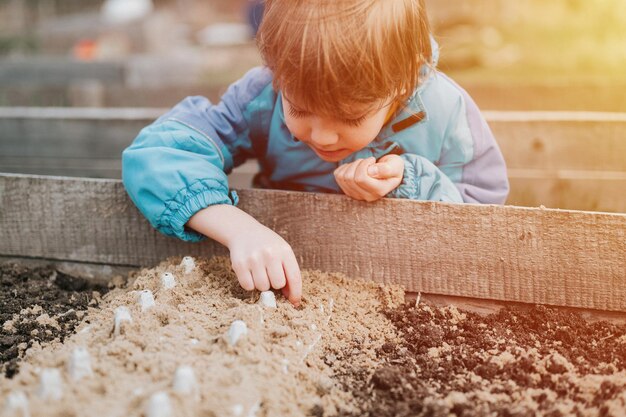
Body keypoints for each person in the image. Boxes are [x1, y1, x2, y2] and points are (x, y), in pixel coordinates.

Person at [122, 0, 509, 308]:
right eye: (301, 109)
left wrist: (411, 181)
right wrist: (239, 229)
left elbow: (483, 215)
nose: (322, 135)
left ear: (401, 84)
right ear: (277, 72)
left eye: (350, 115)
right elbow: (158, 153)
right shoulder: (262, 96)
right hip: (290, 283)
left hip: (410, 291)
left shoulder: (445, 111)